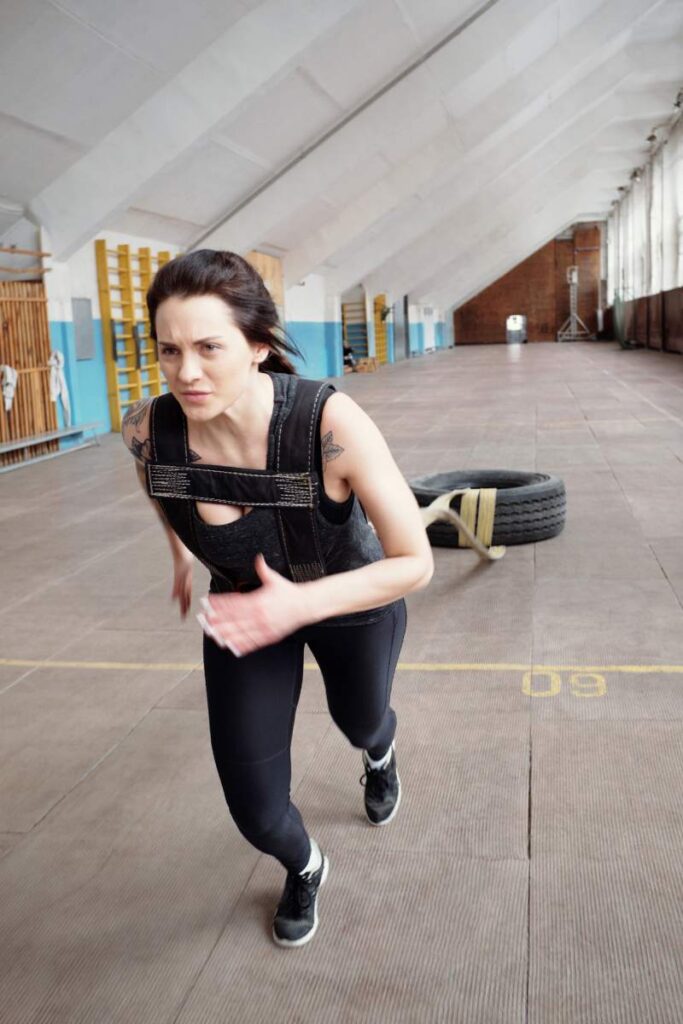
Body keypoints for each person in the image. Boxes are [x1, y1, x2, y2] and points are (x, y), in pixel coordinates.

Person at [121, 250, 434, 948]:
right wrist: (178, 554)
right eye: (168, 350)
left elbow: (414, 562)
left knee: (359, 719)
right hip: (245, 608)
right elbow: (155, 482)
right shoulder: (147, 429)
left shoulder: (329, 426)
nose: (186, 372)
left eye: (209, 347)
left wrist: (299, 604)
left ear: (259, 345)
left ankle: (379, 754)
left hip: (351, 601)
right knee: (256, 810)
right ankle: (306, 865)